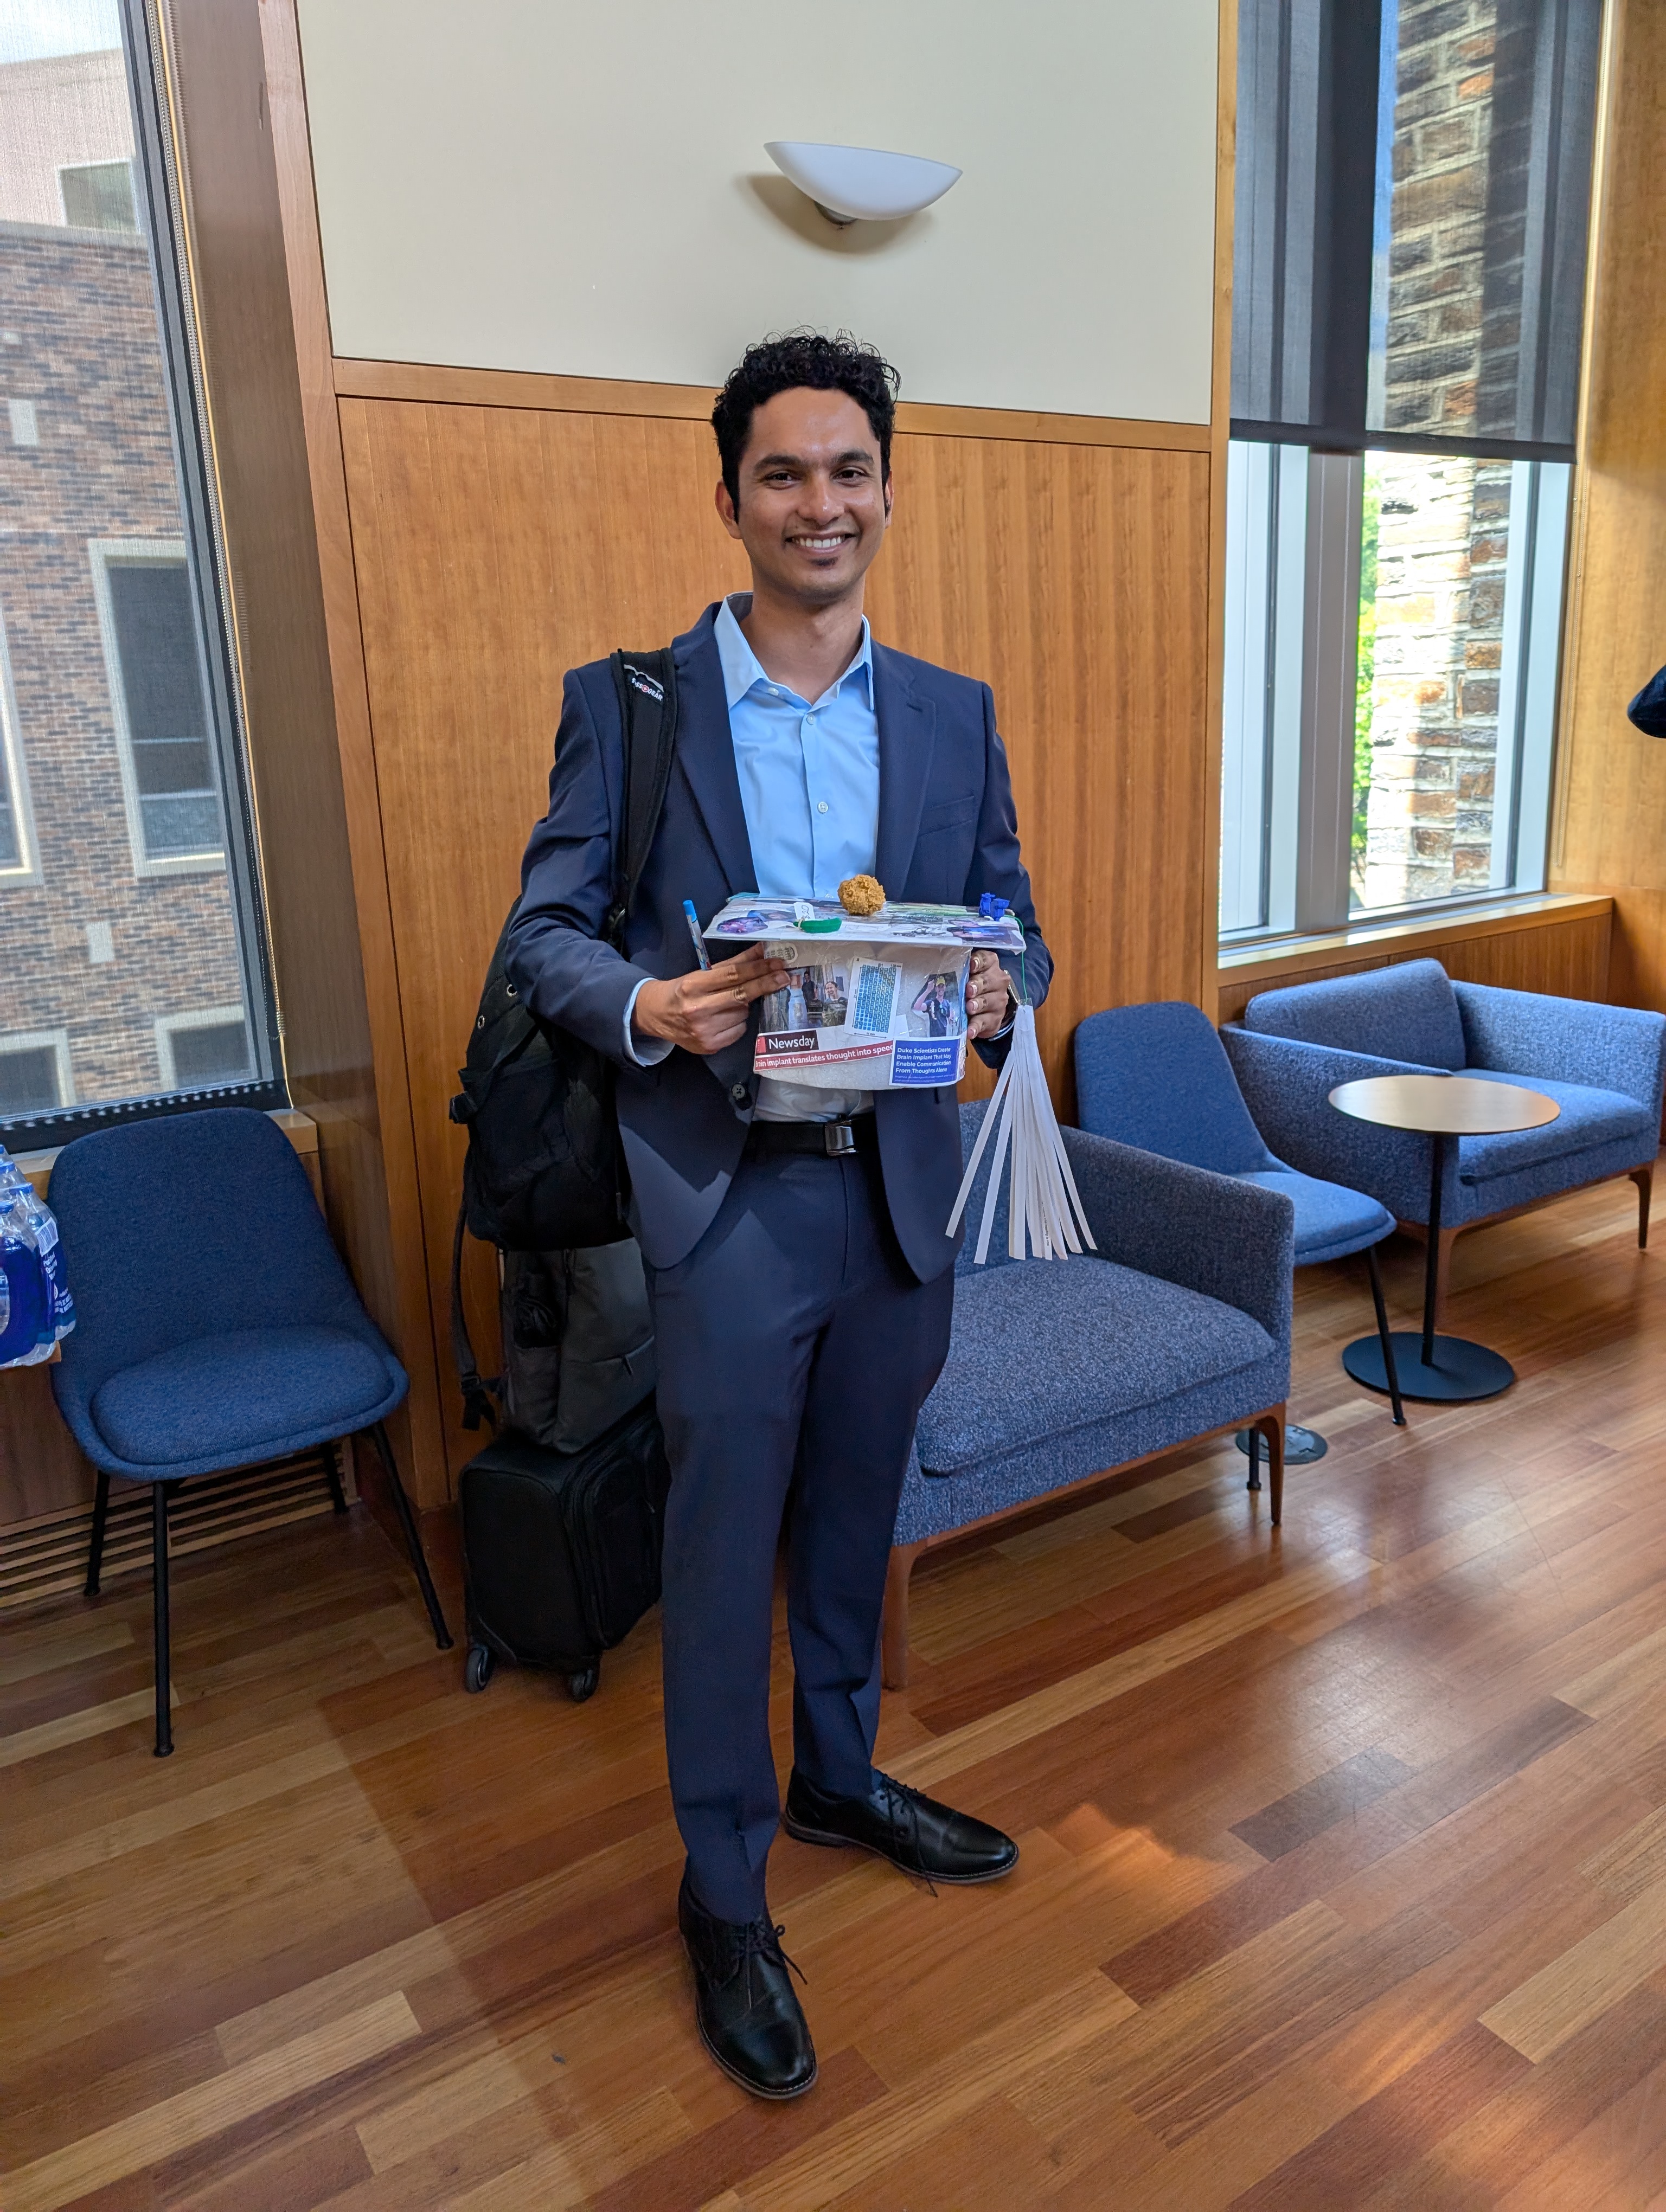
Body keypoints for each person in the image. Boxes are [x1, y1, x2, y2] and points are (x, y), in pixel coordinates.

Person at [506, 330, 1051, 2101]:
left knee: (849, 1522)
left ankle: (836, 1774)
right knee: (720, 1551)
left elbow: (1014, 923)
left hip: (899, 1187)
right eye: (785, 474)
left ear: (888, 487)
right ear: (731, 495)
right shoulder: (638, 702)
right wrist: (651, 1008)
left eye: (851, 470)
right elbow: (546, 934)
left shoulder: (953, 712)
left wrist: (1000, 994)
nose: (823, 503)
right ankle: (724, 1889)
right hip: (729, 1198)